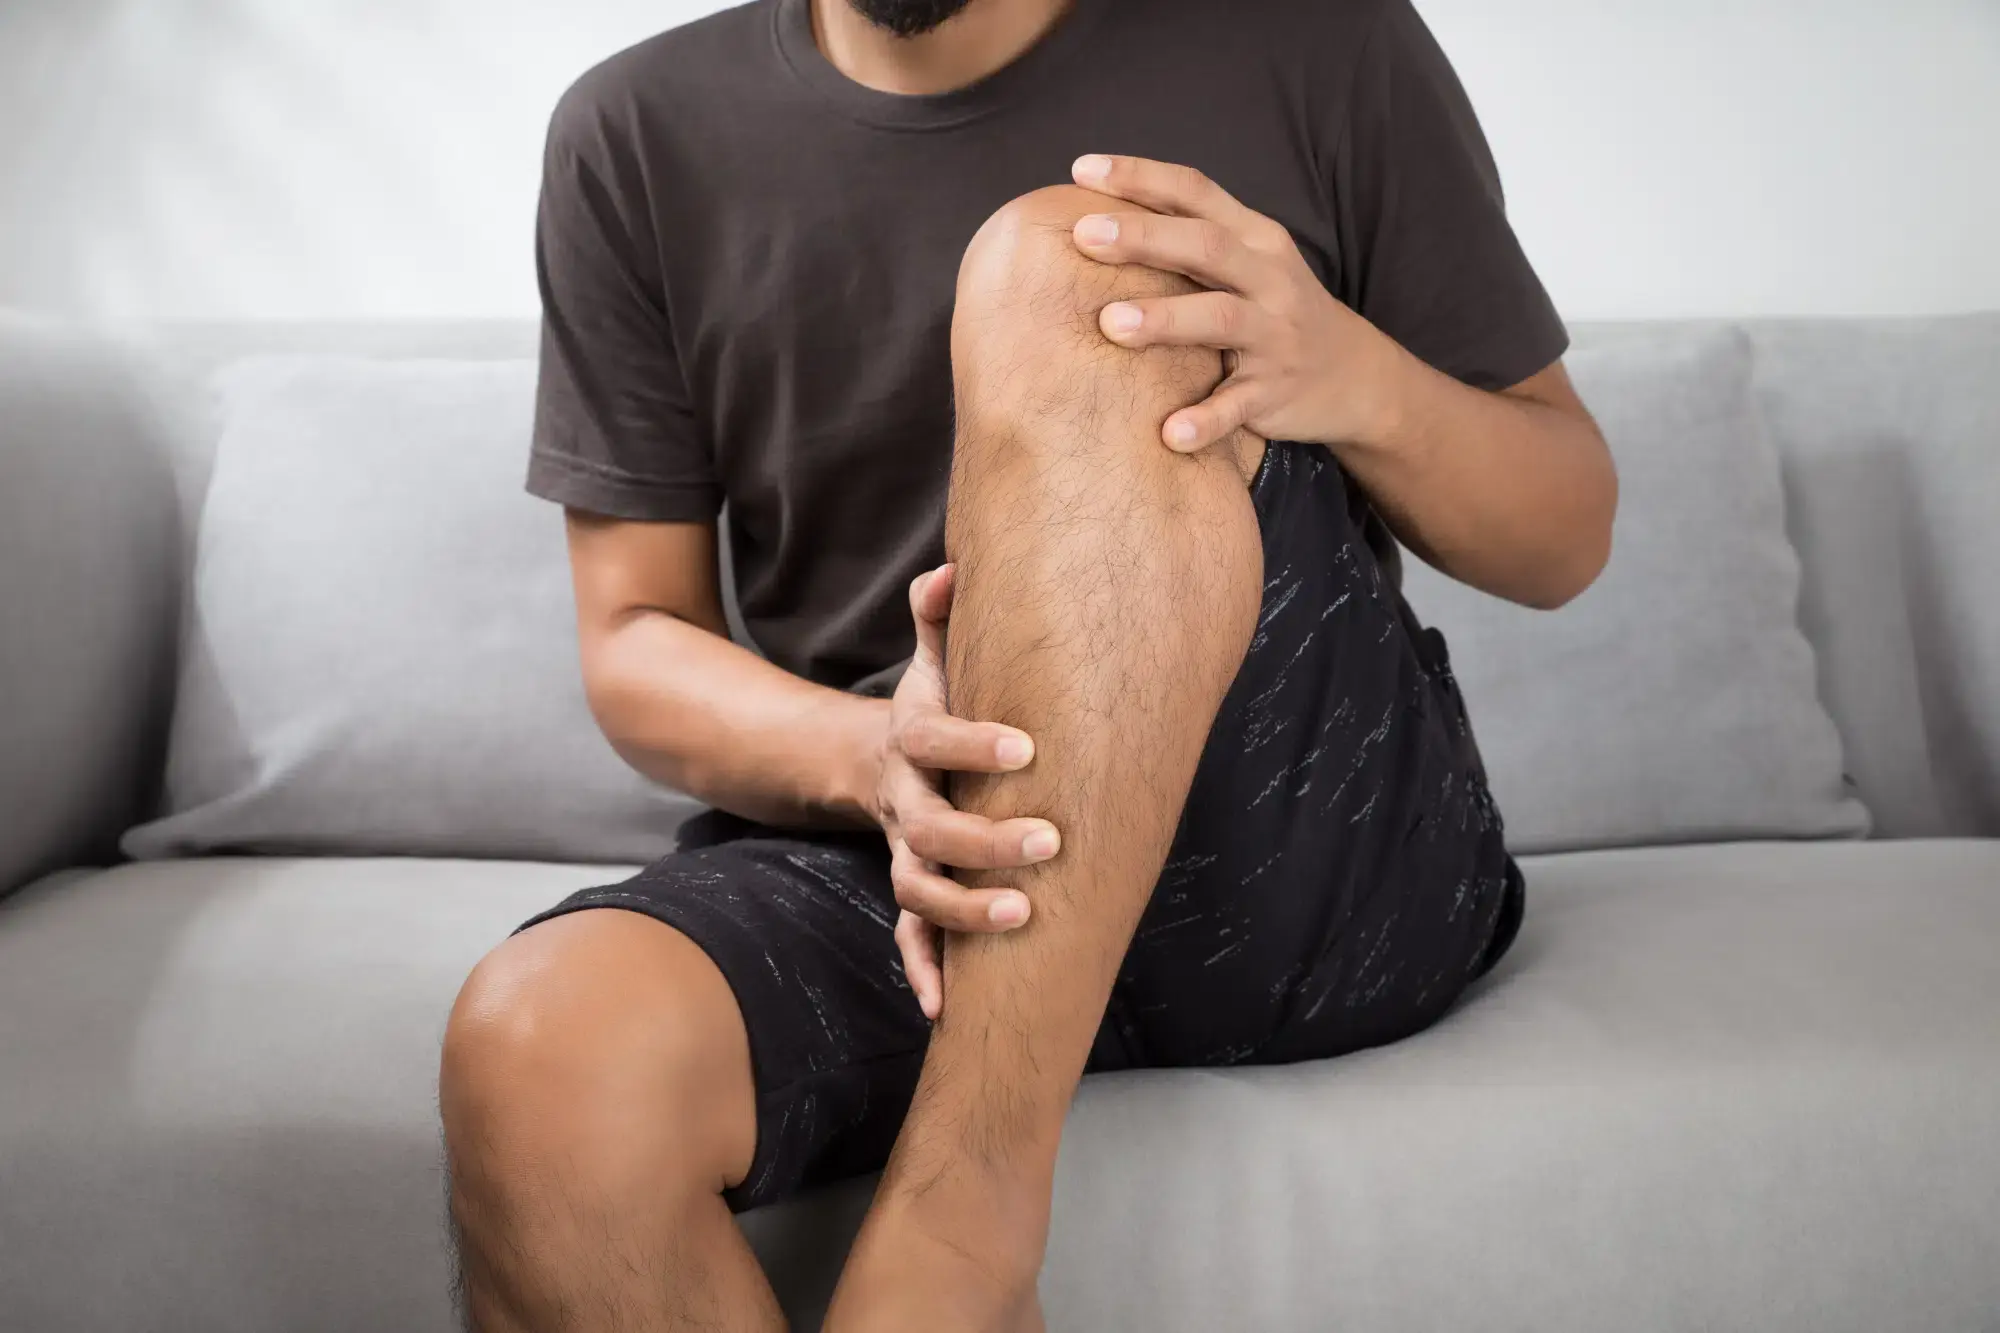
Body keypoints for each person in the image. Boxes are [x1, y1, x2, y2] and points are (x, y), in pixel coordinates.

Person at [438, 0, 1616, 1327]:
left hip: (1295, 842)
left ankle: (964, 1233)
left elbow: (1564, 532)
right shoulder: (633, 131)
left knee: (1066, 258)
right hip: (921, 859)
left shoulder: (1321, 38)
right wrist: (880, 759)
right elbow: (637, 641)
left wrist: (1350, 373)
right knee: (544, 1051)